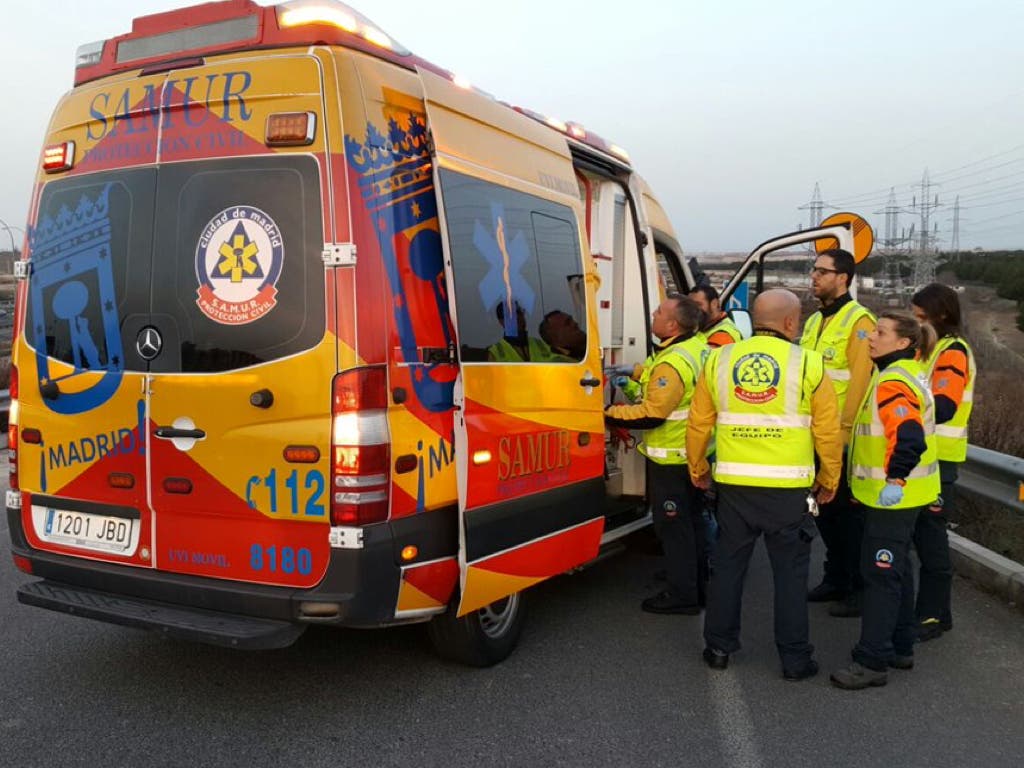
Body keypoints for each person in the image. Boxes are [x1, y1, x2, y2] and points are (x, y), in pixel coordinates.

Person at [688, 289, 842, 680]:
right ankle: (794, 660)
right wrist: (829, 478)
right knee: (790, 577)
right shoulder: (808, 363)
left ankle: (718, 647)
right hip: (787, 491)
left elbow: (698, 422)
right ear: (791, 322)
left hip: (734, 485)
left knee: (727, 569)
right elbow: (827, 431)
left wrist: (697, 469)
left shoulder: (720, 358)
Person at [830, 313, 940, 690]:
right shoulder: (906, 372)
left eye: (880, 333)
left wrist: (894, 479)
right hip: (910, 495)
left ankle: (871, 660)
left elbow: (908, 436)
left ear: (903, 343)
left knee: (879, 575)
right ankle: (900, 645)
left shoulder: (893, 380)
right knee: (898, 571)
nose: (871, 338)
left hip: (894, 496)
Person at [605, 295, 709, 614]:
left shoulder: (672, 360)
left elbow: (654, 414)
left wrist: (608, 413)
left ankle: (683, 596)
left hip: (672, 460)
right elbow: (661, 388)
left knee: (674, 527)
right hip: (693, 456)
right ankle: (694, 579)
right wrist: (634, 375)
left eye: (660, 312)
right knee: (692, 524)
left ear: (673, 324)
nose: (653, 314)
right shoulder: (695, 346)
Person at [802, 248, 876, 618]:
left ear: (843, 277)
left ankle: (859, 588)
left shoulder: (859, 322)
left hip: (839, 439)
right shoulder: (815, 322)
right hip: (812, 435)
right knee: (823, 514)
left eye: (821, 271)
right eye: (813, 270)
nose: (813, 277)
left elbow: (859, 386)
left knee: (847, 517)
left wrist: (841, 440)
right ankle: (836, 578)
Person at [910, 284, 976, 642]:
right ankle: (927, 611)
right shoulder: (927, 352)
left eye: (920, 314)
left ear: (942, 316)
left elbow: (945, 406)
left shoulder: (952, 353)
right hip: (922, 460)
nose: (915, 320)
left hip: (940, 461)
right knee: (919, 540)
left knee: (932, 543)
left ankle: (934, 616)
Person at [487, 300, 554, 362]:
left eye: (518, 312)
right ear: (502, 322)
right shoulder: (496, 352)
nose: (517, 317)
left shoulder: (541, 345)